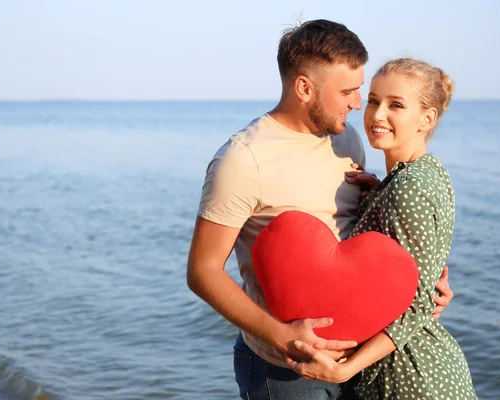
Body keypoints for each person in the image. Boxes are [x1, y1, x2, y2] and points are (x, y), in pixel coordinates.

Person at [186, 20, 454, 400]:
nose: (359, 103)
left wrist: (422, 281)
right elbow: (202, 271)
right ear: (304, 88)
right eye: (348, 91)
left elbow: (360, 237)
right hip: (285, 372)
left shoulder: (348, 140)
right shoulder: (243, 160)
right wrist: (283, 336)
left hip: (361, 363)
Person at [287, 58, 478, 399]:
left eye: (396, 105)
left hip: (409, 377)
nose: (376, 115)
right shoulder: (425, 173)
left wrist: (346, 368)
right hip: (413, 368)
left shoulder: (408, 188)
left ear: (427, 118)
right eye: (373, 100)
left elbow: (416, 305)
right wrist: (377, 192)